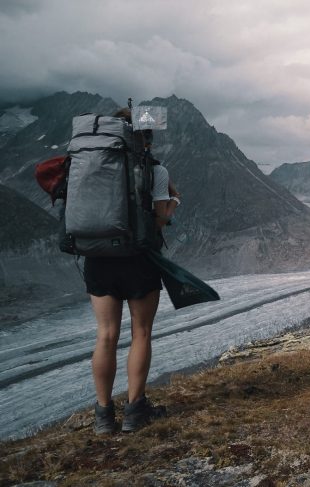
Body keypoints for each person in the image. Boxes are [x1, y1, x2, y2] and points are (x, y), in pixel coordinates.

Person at [89, 108, 181, 433]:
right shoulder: (154, 170)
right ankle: (134, 412)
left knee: (106, 335)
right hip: (139, 259)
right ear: (145, 139)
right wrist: (173, 201)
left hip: (99, 258)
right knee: (140, 333)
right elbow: (158, 220)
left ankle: (103, 417)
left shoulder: (94, 166)